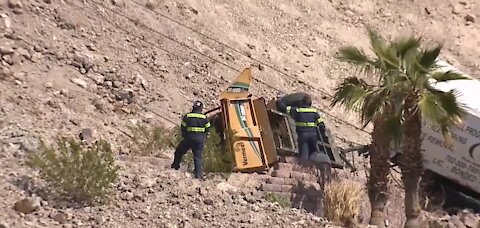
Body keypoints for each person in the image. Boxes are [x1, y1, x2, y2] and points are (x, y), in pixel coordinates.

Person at [170, 101, 211, 180]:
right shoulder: (204, 118)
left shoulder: (187, 116)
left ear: (193, 107)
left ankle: (175, 167)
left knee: (179, 151)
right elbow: (208, 129)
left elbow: (183, 128)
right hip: (199, 140)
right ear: (201, 108)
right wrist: (204, 137)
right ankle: (198, 175)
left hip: (189, 138)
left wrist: (185, 135)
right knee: (198, 157)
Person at [279, 96, 325, 163]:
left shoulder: (297, 110)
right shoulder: (314, 111)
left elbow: (284, 108)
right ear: (310, 104)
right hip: (313, 135)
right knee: (313, 152)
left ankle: (304, 168)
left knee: (304, 153)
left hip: (303, 135)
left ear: (302, 102)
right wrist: (321, 134)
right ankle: (314, 168)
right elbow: (321, 125)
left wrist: (280, 101)